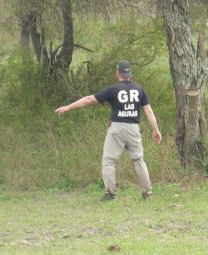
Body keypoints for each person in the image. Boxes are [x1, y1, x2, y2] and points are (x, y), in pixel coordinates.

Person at [55, 60, 162, 201]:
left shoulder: (113, 89)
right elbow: (148, 110)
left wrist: (68, 107)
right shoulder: (139, 89)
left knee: (109, 161)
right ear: (129, 73)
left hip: (117, 129)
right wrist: (156, 130)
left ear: (117, 72)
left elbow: (88, 100)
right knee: (138, 160)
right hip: (134, 129)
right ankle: (147, 193)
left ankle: (111, 194)